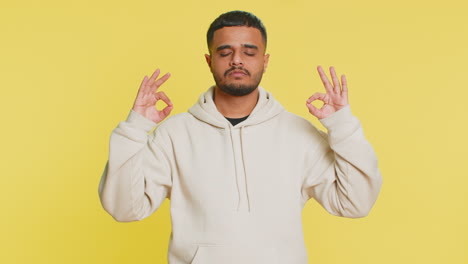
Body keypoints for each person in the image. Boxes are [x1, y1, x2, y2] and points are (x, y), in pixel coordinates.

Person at [98, 10, 382, 264]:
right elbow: (125, 209)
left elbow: (355, 203)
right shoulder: (174, 134)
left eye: (249, 51)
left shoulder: (299, 134)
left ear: (265, 60)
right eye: (224, 52)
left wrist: (342, 126)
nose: (236, 60)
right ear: (209, 61)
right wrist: (135, 128)